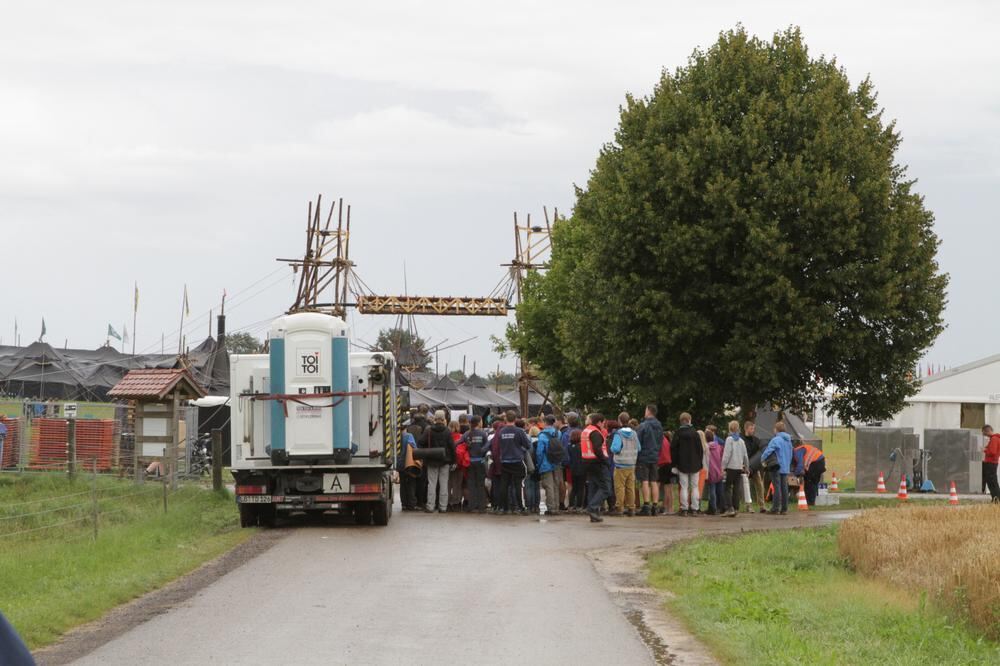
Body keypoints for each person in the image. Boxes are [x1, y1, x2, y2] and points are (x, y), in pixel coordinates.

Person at [420, 410, 455, 513]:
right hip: (445, 461)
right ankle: (443, 507)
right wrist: (453, 460)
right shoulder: (448, 431)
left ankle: (430, 506)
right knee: (444, 484)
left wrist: (426, 453)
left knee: (432, 484)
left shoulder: (429, 430)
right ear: (444, 419)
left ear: (435, 418)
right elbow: (452, 447)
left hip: (431, 461)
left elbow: (421, 442)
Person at [497, 410, 531, 515]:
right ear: (515, 419)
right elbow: (528, 445)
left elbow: (499, 445)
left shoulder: (501, 432)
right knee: (517, 485)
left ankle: (502, 508)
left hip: (505, 461)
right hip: (517, 460)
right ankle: (520, 507)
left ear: (506, 419)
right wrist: (520, 449)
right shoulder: (519, 431)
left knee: (504, 485)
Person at [671, 413, 703, 515]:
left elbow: (673, 450)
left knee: (684, 487)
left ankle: (684, 508)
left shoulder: (678, 433)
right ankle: (695, 509)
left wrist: (674, 464)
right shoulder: (695, 433)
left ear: (681, 421)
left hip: (682, 464)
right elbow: (700, 450)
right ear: (689, 420)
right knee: (694, 487)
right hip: (695, 464)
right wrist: (700, 462)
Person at [635, 405, 664, 516]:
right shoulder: (659, 426)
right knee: (654, 481)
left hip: (644, 456)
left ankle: (646, 505)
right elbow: (661, 441)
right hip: (655, 456)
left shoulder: (643, 426)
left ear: (648, 411)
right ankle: (655, 506)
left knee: (645, 481)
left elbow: (638, 442)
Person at [581, 413, 610, 522]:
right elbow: (597, 449)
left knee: (593, 487)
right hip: (597, 462)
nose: (604, 425)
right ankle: (593, 508)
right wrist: (604, 460)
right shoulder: (595, 432)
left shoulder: (586, 430)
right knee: (606, 488)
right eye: (603, 423)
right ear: (599, 422)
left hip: (587, 462)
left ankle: (594, 514)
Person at [760, 421, 793, 515]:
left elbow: (768, 450)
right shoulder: (789, 441)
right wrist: (788, 464)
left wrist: (762, 458)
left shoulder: (776, 440)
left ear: (776, 429)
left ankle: (775, 508)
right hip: (785, 467)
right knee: (784, 487)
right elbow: (791, 454)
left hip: (776, 466)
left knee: (777, 487)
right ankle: (784, 508)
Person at [610, 413, 640, 516]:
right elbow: (639, 448)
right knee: (630, 487)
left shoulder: (618, 434)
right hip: (631, 464)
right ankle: (631, 508)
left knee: (620, 487)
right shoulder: (634, 434)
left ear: (620, 421)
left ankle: (620, 508)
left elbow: (615, 448)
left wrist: (611, 448)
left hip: (620, 465)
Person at [721, 420, 749, 517]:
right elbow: (745, 455)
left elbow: (726, 455)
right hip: (739, 467)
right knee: (736, 488)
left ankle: (729, 508)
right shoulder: (741, 441)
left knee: (727, 487)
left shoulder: (729, 440)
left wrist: (722, 467)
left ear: (730, 429)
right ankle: (736, 508)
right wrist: (747, 467)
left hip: (730, 467)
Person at [462, 415, 489, 512]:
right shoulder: (483, 434)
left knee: (471, 484)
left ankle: (471, 506)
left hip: (470, 462)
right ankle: (481, 507)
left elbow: (459, 443)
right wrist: (482, 451)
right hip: (480, 461)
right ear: (479, 422)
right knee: (480, 484)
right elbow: (487, 445)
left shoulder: (467, 434)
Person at [536, 415, 562, 515]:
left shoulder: (542, 435)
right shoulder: (558, 433)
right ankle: (556, 506)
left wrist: (539, 464)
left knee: (549, 486)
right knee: (556, 484)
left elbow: (539, 452)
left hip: (546, 463)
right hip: (556, 462)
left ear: (545, 422)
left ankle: (551, 508)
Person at [743, 420, 767, 514]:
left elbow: (761, 450)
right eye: (751, 428)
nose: (753, 430)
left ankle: (762, 506)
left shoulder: (756, 440)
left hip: (754, 467)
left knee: (760, 485)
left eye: (753, 428)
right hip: (744, 467)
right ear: (746, 428)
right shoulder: (741, 439)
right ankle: (748, 506)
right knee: (746, 486)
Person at [398, 428, 420, 511]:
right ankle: (412, 504)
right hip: (409, 464)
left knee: (402, 484)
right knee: (411, 484)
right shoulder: (408, 436)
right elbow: (414, 447)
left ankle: (403, 504)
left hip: (400, 464)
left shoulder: (396, 437)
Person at [705, 429, 725, 515]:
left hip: (711, 472)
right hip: (719, 470)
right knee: (720, 490)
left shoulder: (706, 448)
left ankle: (713, 508)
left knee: (712, 491)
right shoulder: (719, 447)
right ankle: (721, 507)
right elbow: (722, 457)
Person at [567, 428, 587, 512]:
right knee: (581, 488)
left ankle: (571, 505)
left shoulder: (569, 446)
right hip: (582, 469)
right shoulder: (582, 446)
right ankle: (579, 506)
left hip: (573, 469)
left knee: (574, 487)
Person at [448, 420, 465, 511]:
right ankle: (457, 502)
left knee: (448, 484)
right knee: (457, 484)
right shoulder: (461, 437)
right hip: (459, 464)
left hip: (448, 463)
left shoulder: (447, 437)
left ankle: (448, 502)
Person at [657, 431, 674, 515]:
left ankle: (658, 506)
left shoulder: (660, 440)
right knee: (669, 489)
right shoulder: (668, 442)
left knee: (658, 486)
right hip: (669, 465)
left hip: (662, 465)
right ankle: (670, 508)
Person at [983, 426, 1000, 502]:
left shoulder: (994, 439)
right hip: (993, 463)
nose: (984, 434)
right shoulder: (995, 438)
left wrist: (985, 450)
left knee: (992, 482)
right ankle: (995, 498)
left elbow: (993, 452)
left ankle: (996, 499)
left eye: (984, 432)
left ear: (987, 431)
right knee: (992, 481)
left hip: (991, 463)